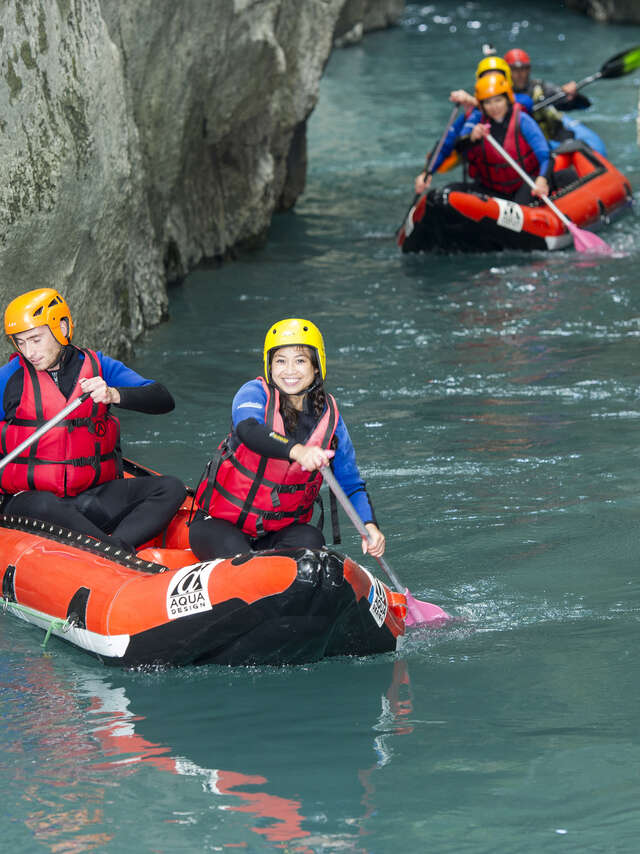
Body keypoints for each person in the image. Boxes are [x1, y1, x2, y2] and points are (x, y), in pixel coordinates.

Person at [0, 288, 186, 552]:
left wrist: (113, 394)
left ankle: (112, 549)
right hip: (30, 503)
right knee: (44, 504)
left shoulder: (99, 366)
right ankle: (113, 549)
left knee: (171, 488)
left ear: (61, 328)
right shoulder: (9, 378)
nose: (29, 351)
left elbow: (163, 399)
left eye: (35, 339)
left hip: (90, 497)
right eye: (21, 342)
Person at [189, 318, 385, 561]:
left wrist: (369, 526)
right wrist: (298, 451)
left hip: (278, 534)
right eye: (280, 361)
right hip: (218, 526)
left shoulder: (330, 418)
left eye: (300, 360)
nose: (289, 370)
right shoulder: (253, 393)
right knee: (242, 560)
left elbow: (351, 484)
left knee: (312, 541)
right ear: (269, 366)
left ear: (316, 367)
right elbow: (248, 430)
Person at [415, 57, 535, 195]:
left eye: (496, 78)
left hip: (525, 181)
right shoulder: (471, 116)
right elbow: (445, 143)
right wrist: (427, 172)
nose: (490, 84)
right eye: (486, 79)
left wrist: (475, 101)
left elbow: (526, 104)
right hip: (488, 184)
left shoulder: (520, 103)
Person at [429, 72, 550, 204]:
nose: (494, 107)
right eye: (488, 102)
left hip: (524, 185)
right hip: (492, 189)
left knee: (522, 200)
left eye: (498, 100)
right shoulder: (477, 122)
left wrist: (542, 179)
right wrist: (472, 138)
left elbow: (544, 155)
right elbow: (458, 148)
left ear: (507, 99)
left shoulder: (522, 120)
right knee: (447, 192)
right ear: (482, 105)